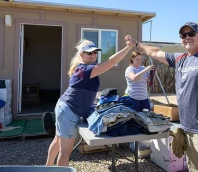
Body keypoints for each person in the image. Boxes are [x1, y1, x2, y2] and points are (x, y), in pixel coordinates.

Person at [126, 22, 198, 172]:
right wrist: (136, 44)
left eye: (191, 34)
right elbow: (155, 52)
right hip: (187, 131)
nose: (187, 37)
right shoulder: (179, 59)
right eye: (183, 35)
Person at [46, 37, 135, 166]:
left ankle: (47, 167)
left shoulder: (82, 67)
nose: (93, 55)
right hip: (69, 110)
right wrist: (129, 47)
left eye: (95, 52)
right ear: (82, 54)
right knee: (65, 151)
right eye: (89, 53)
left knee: (58, 140)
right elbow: (110, 62)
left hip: (64, 107)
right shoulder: (86, 69)